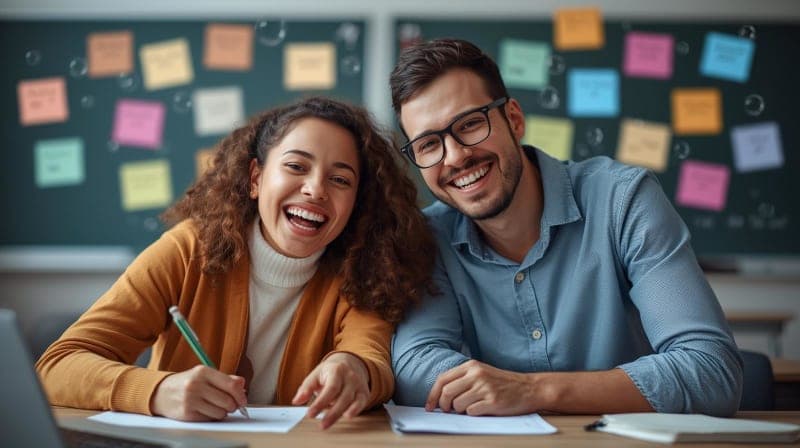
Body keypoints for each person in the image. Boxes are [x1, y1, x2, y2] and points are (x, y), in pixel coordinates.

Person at [389, 39, 743, 417]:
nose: (456, 156)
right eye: (429, 144)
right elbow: (413, 367)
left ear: (514, 119)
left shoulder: (623, 201)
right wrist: (491, 389)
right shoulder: (429, 236)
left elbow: (711, 372)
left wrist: (532, 391)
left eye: (471, 124)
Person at [36, 96, 434, 429]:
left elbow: (370, 356)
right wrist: (157, 392)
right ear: (256, 178)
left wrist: (355, 369)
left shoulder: (367, 267)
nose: (315, 189)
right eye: (296, 166)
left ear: (356, 202)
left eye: (341, 180)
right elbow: (57, 366)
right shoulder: (188, 250)